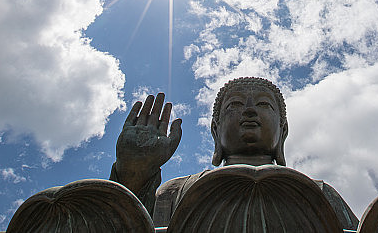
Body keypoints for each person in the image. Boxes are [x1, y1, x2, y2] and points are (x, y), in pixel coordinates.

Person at [110, 77, 358, 230]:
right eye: (235, 104)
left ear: (283, 130)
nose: (249, 110)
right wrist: (134, 175)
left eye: (263, 104)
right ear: (215, 130)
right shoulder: (175, 192)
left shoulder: (319, 193)